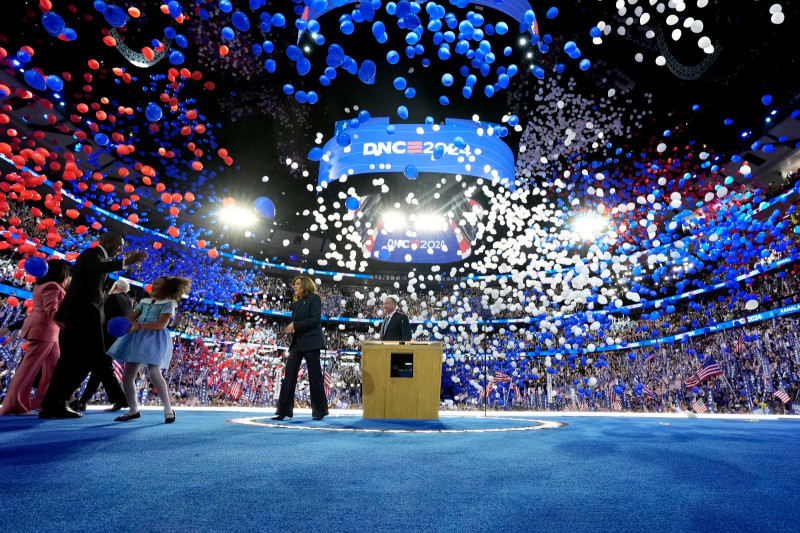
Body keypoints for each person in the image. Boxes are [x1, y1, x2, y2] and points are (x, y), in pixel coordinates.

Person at [38, 232, 147, 419]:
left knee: (73, 360)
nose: (120, 249)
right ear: (107, 242)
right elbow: (95, 268)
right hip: (84, 316)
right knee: (92, 357)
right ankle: (57, 401)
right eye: (119, 245)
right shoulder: (92, 254)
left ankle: (53, 403)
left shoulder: (97, 257)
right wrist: (125, 262)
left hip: (81, 316)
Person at [107, 276, 191, 423]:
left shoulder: (169, 303)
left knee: (154, 372)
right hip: (137, 338)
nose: (153, 286)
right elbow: (132, 317)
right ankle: (133, 410)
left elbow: (160, 324)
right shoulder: (144, 301)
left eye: (157, 284)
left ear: (166, 288)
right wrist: (117, 322)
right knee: (127, 375)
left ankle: (168, 409)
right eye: (153, 283)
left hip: (155, 339)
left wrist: (139, 326)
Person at [1, 259, 71, 415]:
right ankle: (14, 405)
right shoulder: (52, 286)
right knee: (27, 370)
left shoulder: (44, 285)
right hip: (43, 330)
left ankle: (43, 402)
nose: (68, 278)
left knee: (53, 370)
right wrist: (67, 324)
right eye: (67, 274)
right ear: (60, 273)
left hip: (49, 332)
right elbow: (51, 310)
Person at [71, 279, 133, 412]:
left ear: (115, 286)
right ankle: (83, 401)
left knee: (102, 368)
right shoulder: (129, 302)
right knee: (100, 370)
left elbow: (101, 318)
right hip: (118, 340)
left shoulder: (112, 297)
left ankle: (121, 399)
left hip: (103, 339)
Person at [272, 276, 328, 421]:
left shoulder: (314, 298)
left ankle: (319, 411)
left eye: (297, 284)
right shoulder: (296, 304)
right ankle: (283, 411)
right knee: (289, 376)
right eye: (294, 284)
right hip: (297, 343)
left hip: (312, 342)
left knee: (315, 377)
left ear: (305, 285)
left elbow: (315, 319)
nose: (295, 287)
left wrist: (295, 325)